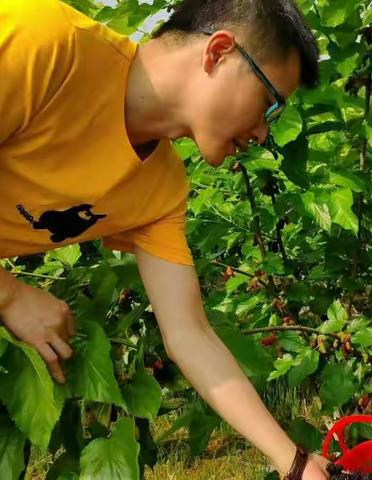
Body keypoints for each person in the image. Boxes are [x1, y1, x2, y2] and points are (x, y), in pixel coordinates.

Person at [0, 0, 329, 477]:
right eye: (269, 104)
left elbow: (191, 335)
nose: (262, 133)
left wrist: (292, 462)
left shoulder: (161, 192)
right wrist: (9, 295)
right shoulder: (45, 45)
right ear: (219, 52)